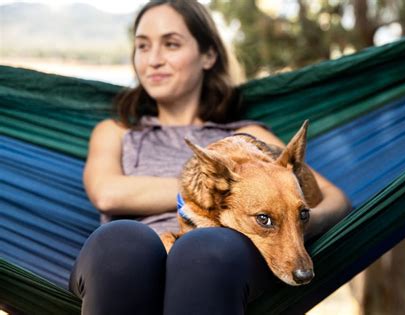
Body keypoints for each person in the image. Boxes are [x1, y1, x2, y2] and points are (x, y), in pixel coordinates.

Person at [69, 1, 351, 314]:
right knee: (123, 241)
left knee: (205, 247)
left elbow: (335, 199)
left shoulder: (250, 137)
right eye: (142, 46)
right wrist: (221, 191)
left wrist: (289, 227)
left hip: (223, 264)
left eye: (171, 44)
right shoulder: (117, 132)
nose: (153, 60)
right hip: (126, 269)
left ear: (208, 55)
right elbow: (108, 194)